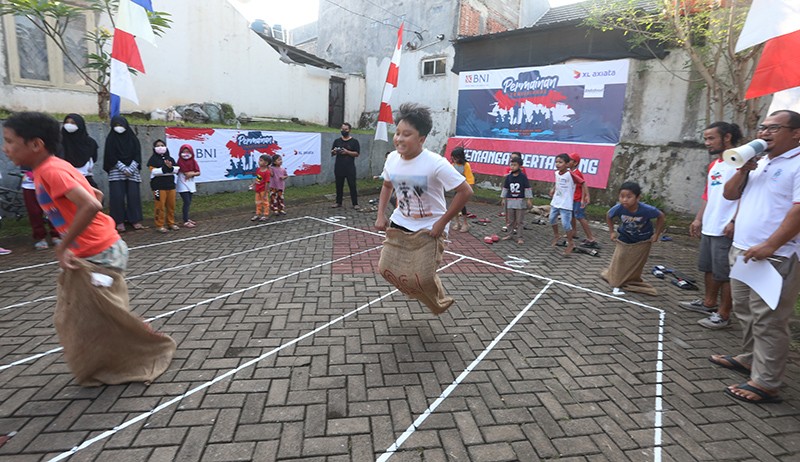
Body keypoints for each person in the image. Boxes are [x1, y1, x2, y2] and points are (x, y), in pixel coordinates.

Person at [2, 111, 175, 386]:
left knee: (101, 311)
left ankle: (144, 341)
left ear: (36, 144)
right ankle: (131, 339)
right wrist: (72, 242)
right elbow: (96, 194)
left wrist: (63, 245)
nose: (5, 148)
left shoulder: (52, 170)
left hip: (101, 251)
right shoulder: (50, 168)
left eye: (10, 141)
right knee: (99, 309)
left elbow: (92, 204)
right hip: (93, 249)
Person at [711, 110, 800, 404]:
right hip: (743, 250)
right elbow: (729, 195)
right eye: (763, 127)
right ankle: (750, 358)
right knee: (746, 311)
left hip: (776, 255)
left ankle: (767, 383)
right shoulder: (760, 162)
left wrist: (771, 245)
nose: (764, 133)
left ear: (796, 133)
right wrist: (743, 170)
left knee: (769, 320)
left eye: (774, 128)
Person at [375, 103, 473, 313]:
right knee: (385, 269)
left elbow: (465, 191)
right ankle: (416, 291)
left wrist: (442, 223)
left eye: (407, 134)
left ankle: (437, 302)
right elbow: (387, 186)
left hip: (429, 228)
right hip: (400, 222)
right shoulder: (392, 159)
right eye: (397, 133)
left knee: (424, 277)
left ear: (422, 139)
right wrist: (380, 215)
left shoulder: (436, 163)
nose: (399, 139)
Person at [680, 122, 742, 329]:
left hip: (726, 229)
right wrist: (699, 219)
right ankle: (709, 303)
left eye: (711, 138)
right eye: (705, 139)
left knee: (725, 274)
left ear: (727, 137)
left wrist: (734, 221)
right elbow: (708, 195)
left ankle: (723, 314)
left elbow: (746, 196)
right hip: (710, 225)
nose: (707, 143)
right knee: (708, 268)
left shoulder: (742, 164)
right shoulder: (714, 165)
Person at [602, 181, 665, 295]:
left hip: (643, 239)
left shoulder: (646, 209)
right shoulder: (619, 208)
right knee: (621, 257)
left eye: (629, 197)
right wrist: (612, 232)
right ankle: (616, 276)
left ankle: (631, 280)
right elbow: (608, 215)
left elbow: (661, 216)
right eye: (622, 196)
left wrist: (657, 234)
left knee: (636, 262)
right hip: (625, 236)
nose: (624, 200)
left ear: (638, 197)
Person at [103, 115, 144, 232]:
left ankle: (134, 219)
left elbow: (137, 154)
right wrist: (123, 168)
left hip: (132, 171)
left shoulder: (133, 139)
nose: (119, 127)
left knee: (133, 196)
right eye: (116, 125)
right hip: (116, 171)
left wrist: (130, 169)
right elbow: (110, 155)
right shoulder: (111, 139)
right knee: (117, 197)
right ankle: (118, 221)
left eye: (121, 125)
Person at [549, 153, 584, 255]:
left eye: (560, 162)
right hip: (556, 201)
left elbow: (583, 183)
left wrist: (585, 197)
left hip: (566, 203)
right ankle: (557, 235)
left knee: (565, 224)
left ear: (567, 164)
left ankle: (571, 243)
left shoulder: (571, 174)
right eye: (556, 162)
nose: (558, 164)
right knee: (551, 219)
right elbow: (557, 182)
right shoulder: (556, 173)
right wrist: (553, 189)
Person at [21, 169, 60, 249]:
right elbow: (23, 164)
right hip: (30, 184)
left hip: (48, 181)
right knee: (34, 212)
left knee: (53, 210)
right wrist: (30, 173)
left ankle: (56, 235)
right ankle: (40, 237)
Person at [147, 140, 179, 233]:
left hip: (170, 186)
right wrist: (167, 169)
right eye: (158, 146)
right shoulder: (152, 160)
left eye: (162, 145)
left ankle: (171, 223)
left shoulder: (170, 159)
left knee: (171, 206)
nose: (160, 147)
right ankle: (159, 225)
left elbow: (176, 169)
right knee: (159, 206)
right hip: (158, 187)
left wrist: (169, 169)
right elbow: (154, 172)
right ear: (154, 148)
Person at [58, 113, 99, 189]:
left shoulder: (90, 143)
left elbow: (93, 158)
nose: (69, 125)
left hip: (85, 178)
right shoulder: (59, 142)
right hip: (64, 179)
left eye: (73, 123)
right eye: (67, 122)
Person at [567, 153, 596, 248]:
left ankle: (591, 237)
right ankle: (574, 232)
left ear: (575, 163)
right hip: (572, 198)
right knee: (572, 215)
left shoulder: (577, 173)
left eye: (569, 160)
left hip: (578, 199)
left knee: (580, 216)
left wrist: (584, 198)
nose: (567, 162)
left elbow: (583, 185)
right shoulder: (570, 172)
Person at [501, 157, 532, 244]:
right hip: (510, 201)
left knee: (519, 221)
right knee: (510, 220)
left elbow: (527, 188)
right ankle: (510, 234)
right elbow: (505, 188)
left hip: (520, 201)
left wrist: (529, 199)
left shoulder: (523, 177)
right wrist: (503, 198)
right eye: (511, 165)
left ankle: (520, 237)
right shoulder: (509, 177)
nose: (512, 167)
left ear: (520, 166)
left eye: (515, 165)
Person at [331, 122, 360, 209]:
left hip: (349, 167)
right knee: (339, 186)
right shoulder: (337, 141)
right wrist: (334, 151)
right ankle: (338, 202)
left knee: (352, 185)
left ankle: (355, 203)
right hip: (339, 167)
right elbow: (332, 152)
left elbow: (357, 153)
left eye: (346, 129)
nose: (344, 131)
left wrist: (347, 152)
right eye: (342, 129)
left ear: (349, 130)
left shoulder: (354, 142)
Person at [449, 146, 474, 232]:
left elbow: (470, 178)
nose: (454, 160)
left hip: (464, 189)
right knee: (454, 205)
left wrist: (470, 189)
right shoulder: (453, 165)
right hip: (456, 189)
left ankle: (465, 223)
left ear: (460, 157)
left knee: (462, 206)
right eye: (453, 158)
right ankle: (457, 222)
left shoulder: (466, 165)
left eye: (455, 158)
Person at [176, 144, 200, 228]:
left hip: (190, 183)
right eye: (184, 151)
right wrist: (191, 173)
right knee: (186, 201)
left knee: (189, 201)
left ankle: (186, 218)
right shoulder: (180, 161)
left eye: (188, 151)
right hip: (182, 183)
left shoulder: (193, 161)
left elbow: (198, 172)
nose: (186, 153)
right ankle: (185, 221)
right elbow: (185, 173)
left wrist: (192, 173)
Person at [250, 154, 271, 221]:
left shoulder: (267, 172)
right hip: (258, 189)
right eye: (259, 160)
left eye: (261, 160)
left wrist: (265, 193)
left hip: (263, 190)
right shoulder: (259, 170)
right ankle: (258, 214)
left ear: (266, 163)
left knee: (265, 202)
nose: (259, 162)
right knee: (258, 202)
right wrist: (253, 184)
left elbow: (267, 183)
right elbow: (258, 178)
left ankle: (266, 215)